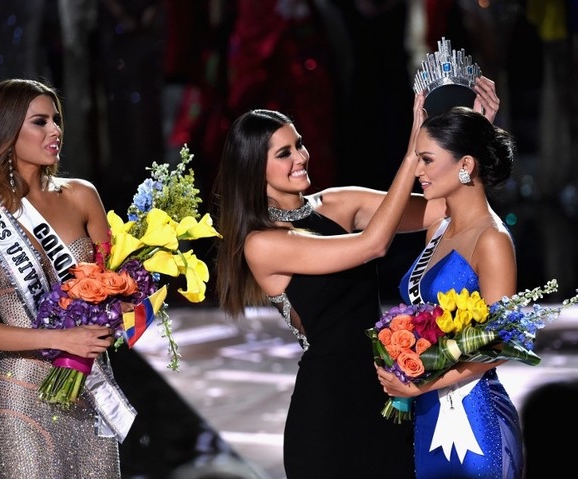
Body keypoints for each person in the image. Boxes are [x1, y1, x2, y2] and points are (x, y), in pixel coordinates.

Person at [212, 76, 500, 478]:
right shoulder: (262, 244)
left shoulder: (336, 203)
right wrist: (410, 153)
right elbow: (372, 245)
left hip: (388, 393)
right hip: (329, 411)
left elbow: (441, 210)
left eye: (299, 144)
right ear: (253, 168)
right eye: (284, 153)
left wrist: (474, 144)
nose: (300, 157)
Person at [0, 78, 133, 478]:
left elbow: (118, 285)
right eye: (40, 122)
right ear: (7, 130)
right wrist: (61, 338)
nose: (55, 131)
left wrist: (130, 302)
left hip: (90, 388)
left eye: (56, 120)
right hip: (23, 395)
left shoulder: (82, 195)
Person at [376, 106, 524, 478]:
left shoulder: (492, 240)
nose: (418, 170)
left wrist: (422, 381)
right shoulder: (438, 229)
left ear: (466, 165)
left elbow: (501, 345)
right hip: (428, 412)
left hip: (475, 419)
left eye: (426, 160)